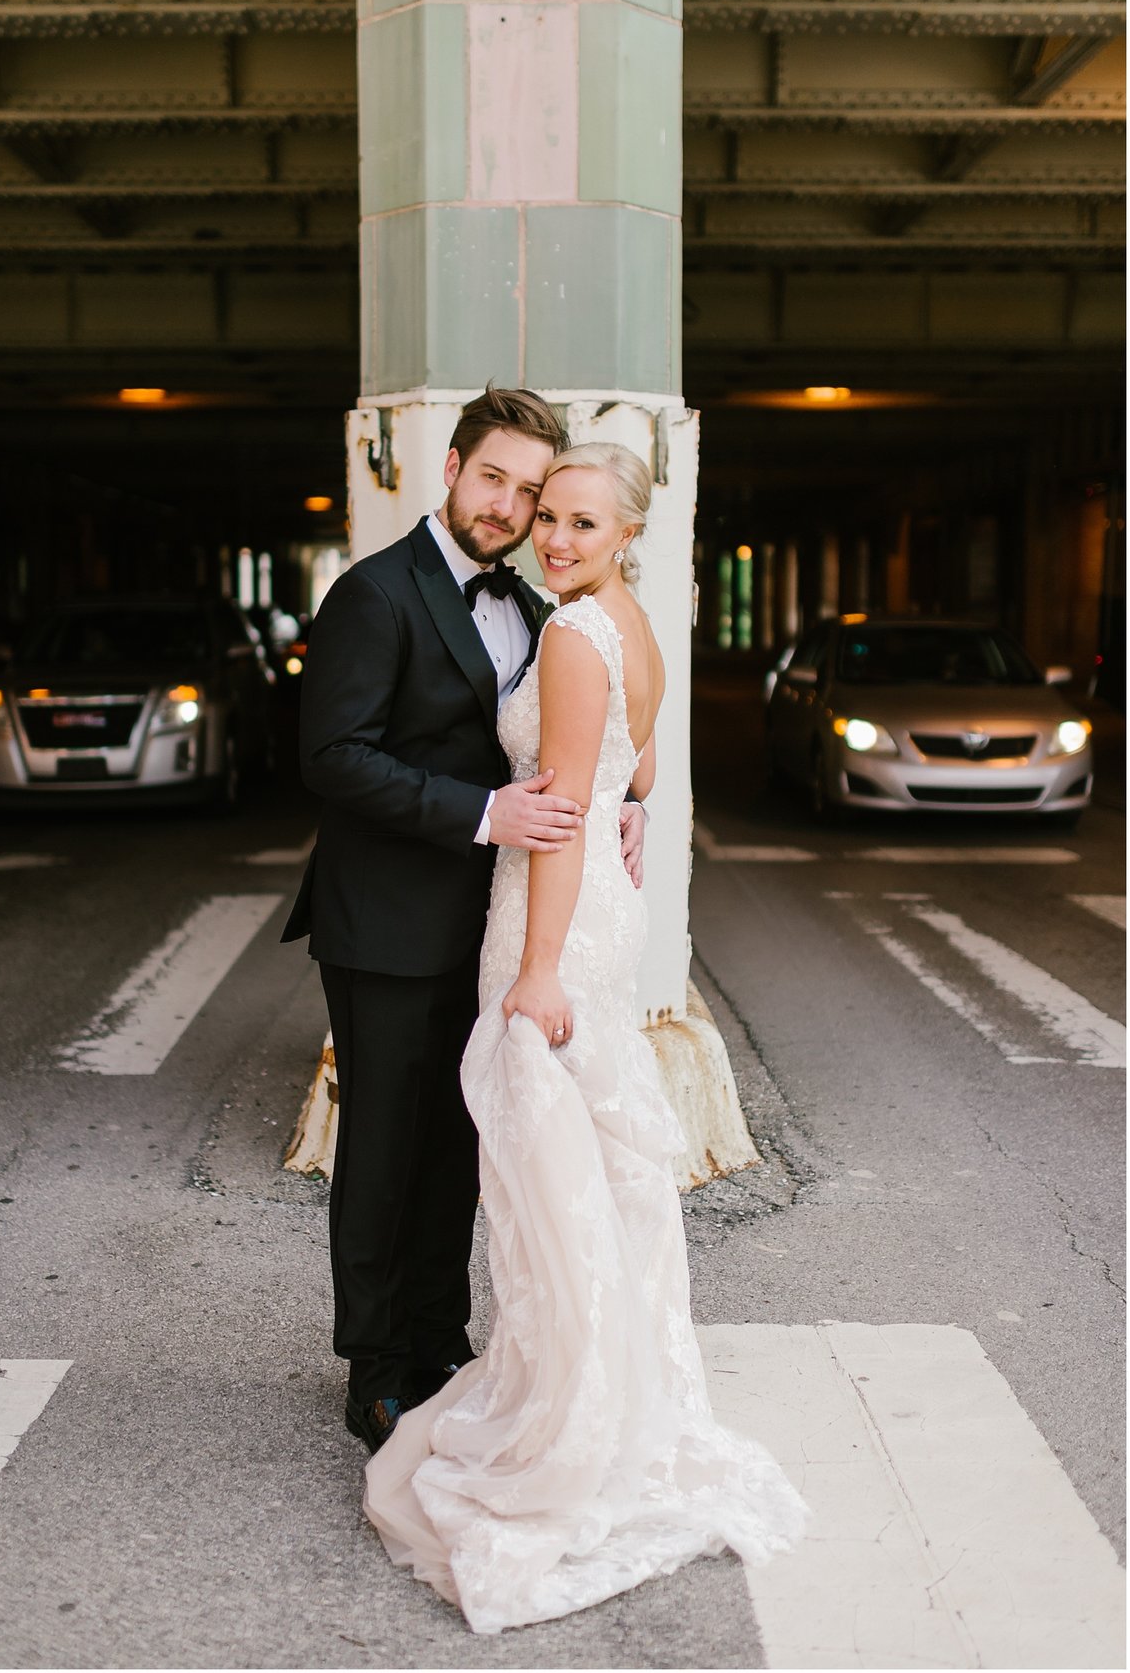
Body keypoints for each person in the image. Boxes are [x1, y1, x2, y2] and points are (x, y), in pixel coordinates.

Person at [361, 442, 806, 1633]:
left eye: (581, 523)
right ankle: (612, 1396)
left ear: (625, 531)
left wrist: (540, 966)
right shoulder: (633, 625)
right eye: (547, 516)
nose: (553, 537)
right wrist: (616, 822)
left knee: (545, 1174)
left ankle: (562, 1419)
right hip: (610, 916)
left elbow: (555, 819)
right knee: (599, 1172)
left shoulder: (566, 635)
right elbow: (635, 773)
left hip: (549, 922)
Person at [287, 386, 646, 1452]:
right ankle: (378, 1365)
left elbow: (566, 739)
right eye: (493, 478)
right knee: (387, 1148)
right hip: (387, 922)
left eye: (532, 493)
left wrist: (619, 799)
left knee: (457, 1144)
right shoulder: (373, 592)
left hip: (488, 920)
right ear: (450, 468)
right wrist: (486, 811)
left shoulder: (540, 607)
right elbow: (333, 758)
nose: (510, 508)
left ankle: (439, 1339)